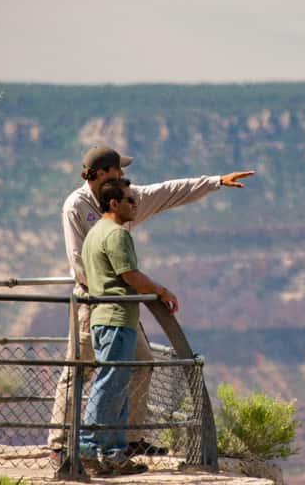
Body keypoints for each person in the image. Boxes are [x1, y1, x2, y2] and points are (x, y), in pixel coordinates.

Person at [48, 145, 254, 461]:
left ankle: (130, 438)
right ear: (102, 174)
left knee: (141, 362)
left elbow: (169, 191)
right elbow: (79, 264)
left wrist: (216, 181)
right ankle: (63, 443)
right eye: (118, 170)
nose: (124, 176)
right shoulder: (76, 207)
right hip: (94, 304)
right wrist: (128, 287)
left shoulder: (125, 200)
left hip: (121, 305)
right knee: (80, 368)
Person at [78, 177, 179, 475]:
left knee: (118, 388)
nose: (136, 205)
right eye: (130, 200)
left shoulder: (94, 233)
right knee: (109, 385)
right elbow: (130, 274)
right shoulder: (117, 235)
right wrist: (162, 291)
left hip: (104, 319)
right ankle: (86, 449)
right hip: (117, 319)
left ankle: (113, 454)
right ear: (113, 203)